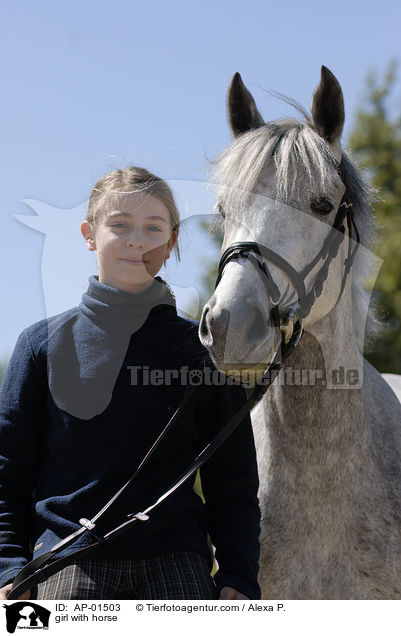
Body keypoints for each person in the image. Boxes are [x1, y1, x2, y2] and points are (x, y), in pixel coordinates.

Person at [0, 166, 261, 600]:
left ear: (171, 241)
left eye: (153, 228)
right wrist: (8, 566)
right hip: (66, 559)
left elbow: (233, 480)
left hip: (176, 561)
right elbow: (8, 473)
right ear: (89, 233)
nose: (136, 240)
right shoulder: (40, 346)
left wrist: (238, 575)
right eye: (119, 224)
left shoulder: (206, 353)